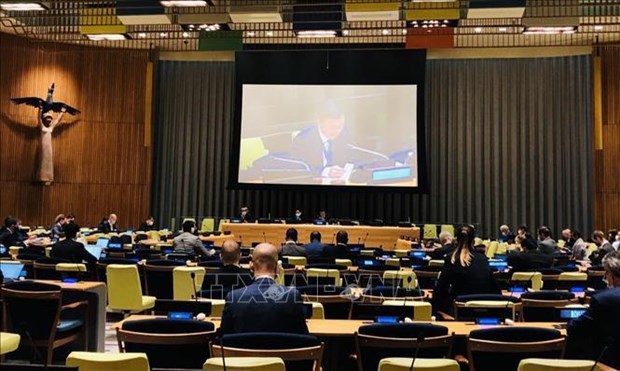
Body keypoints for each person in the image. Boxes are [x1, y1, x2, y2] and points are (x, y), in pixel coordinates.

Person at [219, 243, 309, 335]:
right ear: (277, 267)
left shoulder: (233, 297)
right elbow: (303, 337)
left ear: (251, 266)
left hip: (244, 348)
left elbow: (223, 339)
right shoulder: (292, 296)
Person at [288, 101, 381, 180]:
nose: (337, 131)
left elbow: (356, 158)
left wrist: (350, 169)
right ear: (319, 122)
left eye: (340, 126)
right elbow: (300, 168)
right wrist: (325, 171)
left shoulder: (346, 133)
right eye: (332, 127)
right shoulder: (303, 140)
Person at [567, 251, 620, 369]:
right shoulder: (604, 298)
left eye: (606, 273)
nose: (605, 278)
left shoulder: (603, 300)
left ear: (612, 274)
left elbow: (574, 329)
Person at [432, 225, 501, 315]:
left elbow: (440, 288)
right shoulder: (483, 258)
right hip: (484, 310)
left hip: (461, 311)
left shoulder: (452, 258)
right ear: (474, 241)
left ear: (456, 239)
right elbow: (494, 287)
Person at [37, 105, 66, 184]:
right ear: (44, 119)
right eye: (47, 118)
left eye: (50, 118)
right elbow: (38, 119)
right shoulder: (42, 126)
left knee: (49, 161)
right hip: (43, 147)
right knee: (43, 161)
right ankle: (42, 178)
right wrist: (40, 109)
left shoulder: (51, 128)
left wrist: (62, 112)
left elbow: (57, 120)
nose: (49, 120)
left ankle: (49, 178)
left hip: (49, 147)